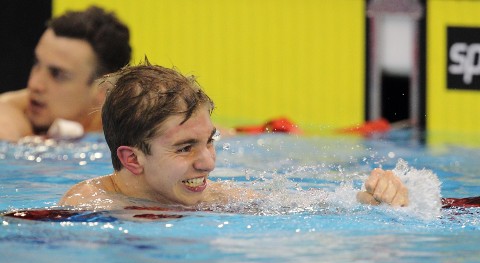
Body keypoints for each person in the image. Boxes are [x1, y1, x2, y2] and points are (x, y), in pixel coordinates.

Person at [59, 62, 409, 210]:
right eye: (185, 148)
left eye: (209, 141)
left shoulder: (214, 197)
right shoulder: (88, 206)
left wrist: (375, 198)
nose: (209, 162)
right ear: (131, 158)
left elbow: (315, 207)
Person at [0, 6, 131, 141]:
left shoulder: (134, 139)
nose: (34, 84)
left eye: (57, 74)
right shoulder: (10, 116)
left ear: (103, 90)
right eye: (36, 64)